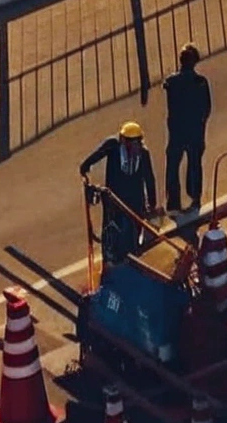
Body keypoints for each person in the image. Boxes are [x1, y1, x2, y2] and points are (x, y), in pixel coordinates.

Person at [80, 121, 161, 262]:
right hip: (113, 198)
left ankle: (132, 259)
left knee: (134, 232)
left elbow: (149, 178)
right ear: (123, 139)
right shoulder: (113, 146)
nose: (134, 145)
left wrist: (152, 203)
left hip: (134, 201)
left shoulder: (143, 154)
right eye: (131, 141)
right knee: (111, 229)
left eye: (137, 141)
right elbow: (96, 155)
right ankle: (109, 257)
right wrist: (85, 167)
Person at [162, 43, 213, 213]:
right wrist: (200, 124)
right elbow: (207, 108)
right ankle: (195, 197)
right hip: (195, 132)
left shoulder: (171, 82)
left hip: (177, 132)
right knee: (194, 165)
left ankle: (173, 202)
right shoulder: (201, 82)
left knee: (173, 165)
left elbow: (168, 87)